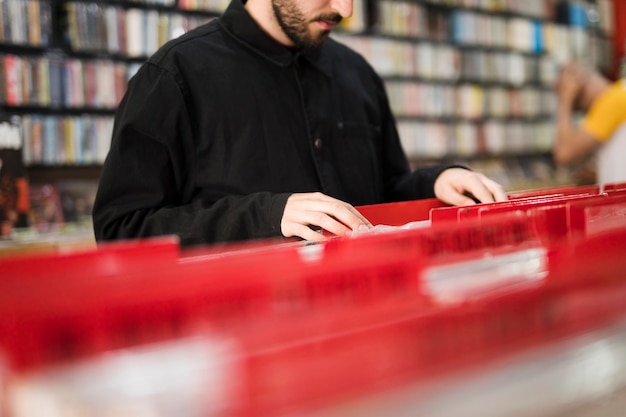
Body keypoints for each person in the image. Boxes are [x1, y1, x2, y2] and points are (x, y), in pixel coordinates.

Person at [93, 0, 507, 247]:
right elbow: (121, 229)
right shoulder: (173, 77)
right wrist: (267, 217)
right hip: (239, 351)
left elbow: (381, 193)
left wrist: (434, 183)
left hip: (362, 326)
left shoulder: (357, 74)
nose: (344, 10)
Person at [554, 62, 626, 186]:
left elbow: (564, 154)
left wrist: (565, 99)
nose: (587, 113)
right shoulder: (620, 93)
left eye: (579, 106)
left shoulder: (612, 101)